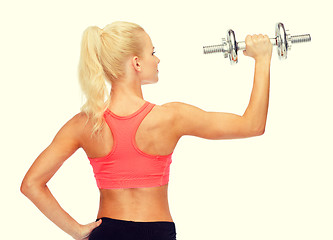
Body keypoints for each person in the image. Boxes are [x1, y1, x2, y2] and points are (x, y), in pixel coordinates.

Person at [20, 21, 273, 240]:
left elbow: (32, 184)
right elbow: (252, 125)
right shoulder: (171, 116)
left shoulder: (84, 124)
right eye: (153, 52)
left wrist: (75, 230)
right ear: (137, 63)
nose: (158, 59)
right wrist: (262, 60)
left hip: (106, 234)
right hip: (157, 233)